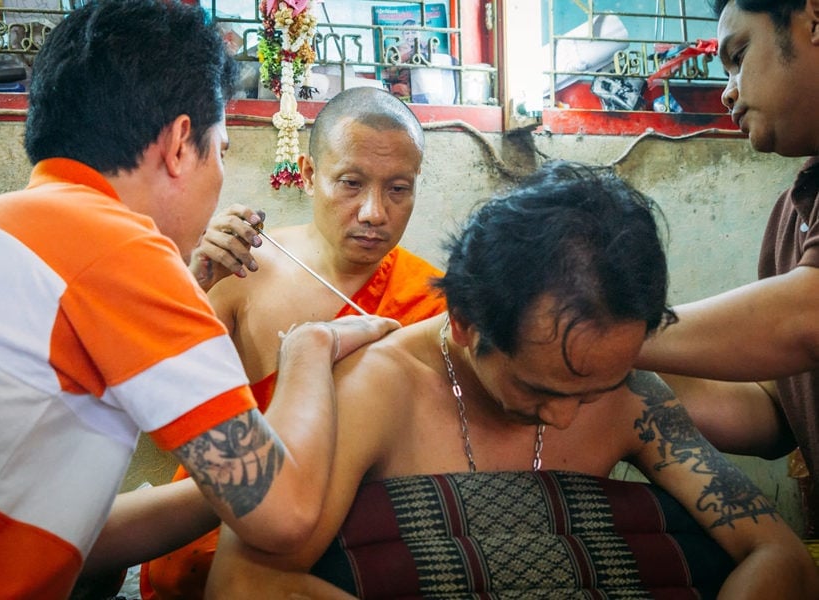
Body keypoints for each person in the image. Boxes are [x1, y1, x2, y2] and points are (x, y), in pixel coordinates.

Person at [0, 2, 398, 598]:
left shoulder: (6, 221)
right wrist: (309, 346)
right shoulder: (121, 250)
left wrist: (225, 484)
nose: (221, 171)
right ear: (178, 144)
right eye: (222, 150)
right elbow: (286, 516)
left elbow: (77, 536)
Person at [206, 160, 819, 599]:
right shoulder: (377, 389)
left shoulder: (624, 386)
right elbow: (246, 582)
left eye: (592, 390)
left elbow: (777, 554)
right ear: (467, 323)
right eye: (541, 390)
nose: (566, 417)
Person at [140, 85, 447, 600]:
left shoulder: (433, 302)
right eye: (350, 183)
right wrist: (192, 288)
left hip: (347, 542)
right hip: (218, 523)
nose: (374, 212)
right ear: (307, 174)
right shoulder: (243, 268)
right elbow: (159, 422)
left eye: (399, 189)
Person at [636, 0, 819, 535]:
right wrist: (616, 381)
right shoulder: (793, 213)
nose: (728, 91)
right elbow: (774, 412)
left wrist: (600, 332)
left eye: (738, 56)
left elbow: (806, 319)